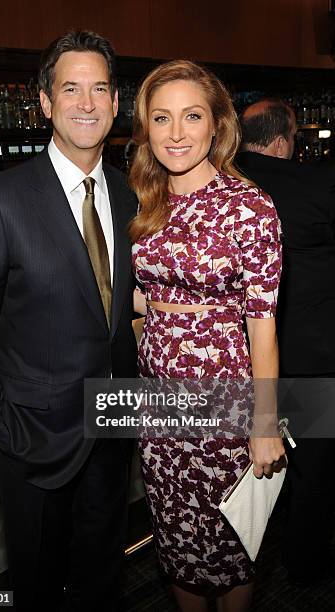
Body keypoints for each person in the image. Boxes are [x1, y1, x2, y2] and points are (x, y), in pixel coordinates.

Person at [0, 30, 138, 612]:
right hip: (32, 443)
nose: (87, 102)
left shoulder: (131, 197)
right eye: (71, 89)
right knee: (38, 586)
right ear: (45, 103)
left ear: (113, 103)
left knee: (103, 577)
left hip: (112, 432)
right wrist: (1, 427)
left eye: (99, 89)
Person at [130, 60, 285, 612]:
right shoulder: (146, 202)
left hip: (225, 405)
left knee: (231, 543)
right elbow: (144, 297)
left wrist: (265, 424)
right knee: (176, 543)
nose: (176, 133)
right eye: (161, 118)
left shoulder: (250, 208)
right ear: (145, 128)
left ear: (217, 125)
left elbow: (263, 325)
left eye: (191, 117)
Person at [236, 99, 335, 586]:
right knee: (312, 471)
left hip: (243, 356)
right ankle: (304, 569)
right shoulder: (316, 185)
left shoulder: (222, 183)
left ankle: (253, 554)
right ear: (281, 141)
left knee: (253, 469)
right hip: (310, 355)